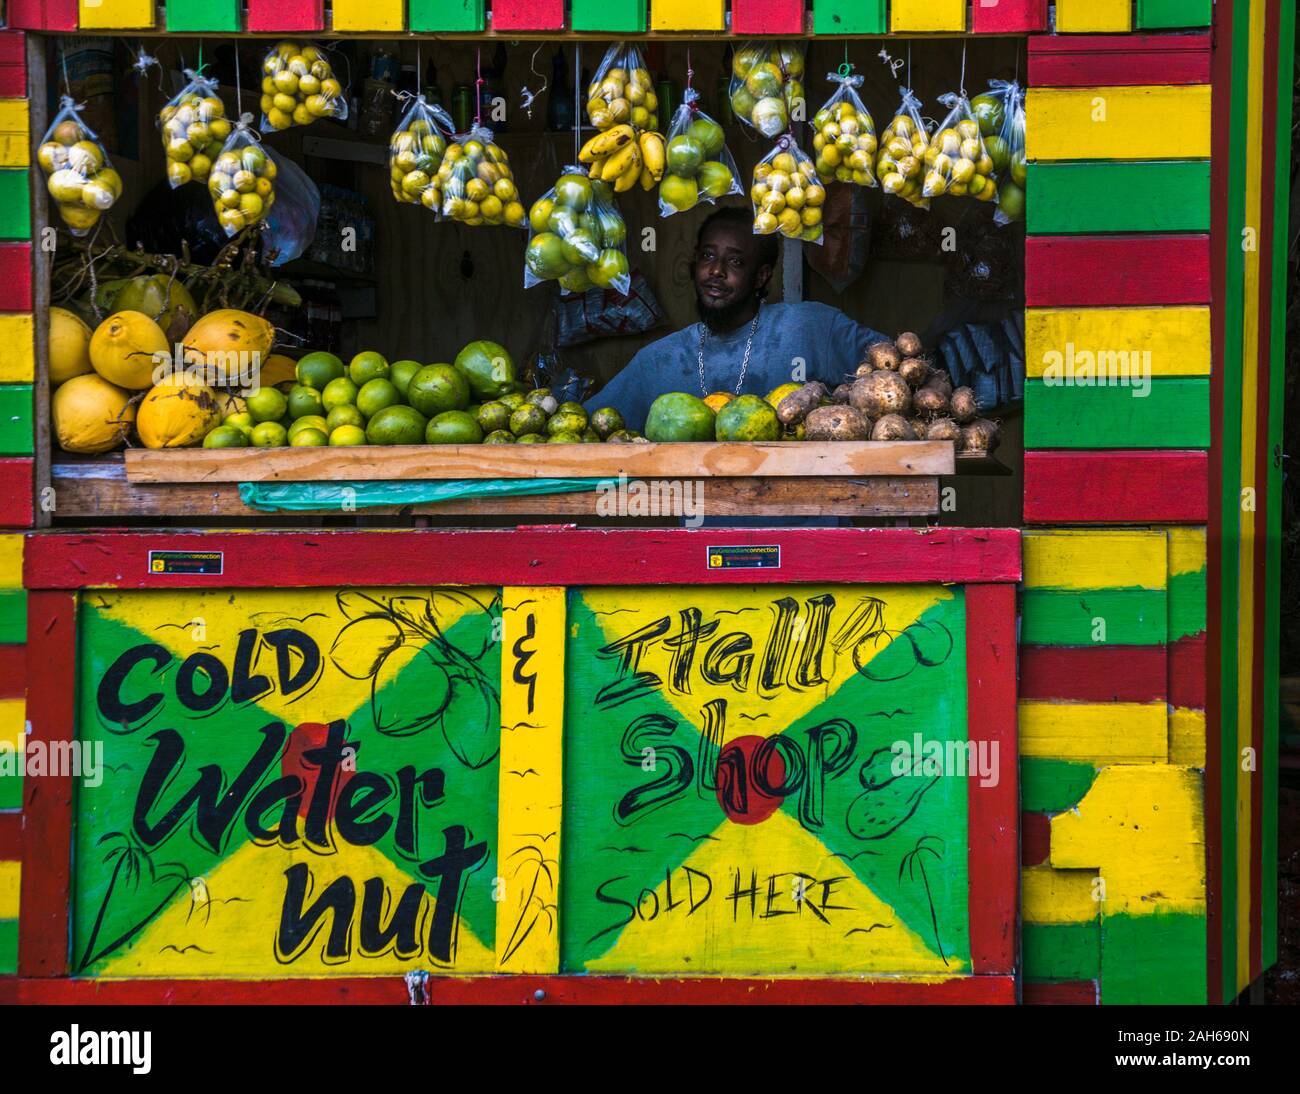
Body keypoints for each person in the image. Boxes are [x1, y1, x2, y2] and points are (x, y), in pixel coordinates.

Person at [587, 205, 889, 430]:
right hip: (706, 514)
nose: (716, 271)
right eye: (707, 256)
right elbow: (585, 427)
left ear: (761, 276)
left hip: (806, 513)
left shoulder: (811, 327)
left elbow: (898, 369)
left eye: (735, 260)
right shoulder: (658, 361)